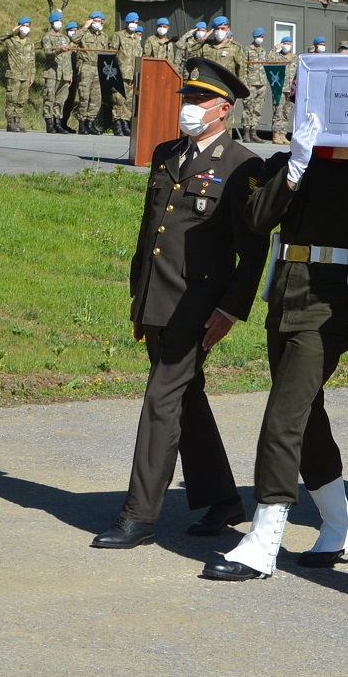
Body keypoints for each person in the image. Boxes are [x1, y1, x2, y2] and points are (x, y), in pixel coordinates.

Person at [200, 112, 348, 582]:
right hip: (286, 299)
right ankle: (339, 524)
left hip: (330, 308)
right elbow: (255, 219)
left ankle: (264, 540)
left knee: (283, 417)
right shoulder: (288, 163)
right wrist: (293, 169)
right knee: (307, 415)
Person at [92, 57, 268, 550]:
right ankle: (222, 499)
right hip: (155, 298)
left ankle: (139, 515)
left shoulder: (242, 167)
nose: (188, 108)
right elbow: (152, 232)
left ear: (224, 110)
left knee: (161, 400)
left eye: (198, 101)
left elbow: (252, 252)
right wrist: (138, 296)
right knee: (185, 396)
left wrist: (231, 309)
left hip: (199, 305)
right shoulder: (169, 152)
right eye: (185, 99)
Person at [107, 13, 142, 136]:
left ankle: (125, 122)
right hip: (120, 73)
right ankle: (117, 123)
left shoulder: (136, 38)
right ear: (127, 22)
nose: (134, 25)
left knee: (129, 100)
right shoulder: (118, 36)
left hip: (133, 74)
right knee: (118, 99)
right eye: (133, 22)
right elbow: (112, 53)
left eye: (137, 23)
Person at [72, 11, 106, 133]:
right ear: (90, 21)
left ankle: (90, 123)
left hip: (98, 68)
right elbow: (74, 39)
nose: (98, 23)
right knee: (84, 96)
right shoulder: (84, 34)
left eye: (99, 21)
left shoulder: (103, 36)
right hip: (86, 67)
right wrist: (85, 27)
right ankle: (82, 123)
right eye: (95, 21)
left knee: (96, 98)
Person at [0, 15, 35, 132]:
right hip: (14, 74)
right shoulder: (12, 40)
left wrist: (32, 76)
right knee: (12, 98)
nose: (25, 28)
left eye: (27, 26)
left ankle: (17, 121)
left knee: (22, 99)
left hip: (26, 75)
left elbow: (32, 60)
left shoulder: (30, 42)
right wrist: (12, 30)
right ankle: (10, 122)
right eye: (23, 26)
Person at [40, 11, 72, 133]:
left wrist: (70, 74)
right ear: (52, 23)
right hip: (52, 73)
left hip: (65, 73)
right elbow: (48, 54)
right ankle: (49, 122)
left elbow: (68, 58)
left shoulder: (65, 38)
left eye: (60, 21)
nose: (59, 23)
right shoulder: (47, 37)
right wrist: (58, 51)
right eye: (57, 21)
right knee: (49, 97)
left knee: (61, 99)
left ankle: (57, 122)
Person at [241, 28, 267, 142]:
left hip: (261, 84)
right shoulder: (247, 50)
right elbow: (243, 67)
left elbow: (264, 68)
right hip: (250, 84)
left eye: (262, 36)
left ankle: (254, 132)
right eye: (259, 36)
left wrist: (265, 84)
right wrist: (245, 83)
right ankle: (246, 133)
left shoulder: (263, 51)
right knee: (248, 108)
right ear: (254, 37)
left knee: (257, 109)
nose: (260, 38)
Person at [270, 36, 295, 145]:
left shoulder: (295, 58)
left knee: (286, 113)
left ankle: (282, 134)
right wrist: (275, 48)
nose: (286, 45)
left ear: (292, 45)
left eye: (288, 43)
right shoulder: (277, 56)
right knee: (278, 112)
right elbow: (269, 59)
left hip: (291, 89)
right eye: (284, 43)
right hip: (279, 87)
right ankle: (276, 134)